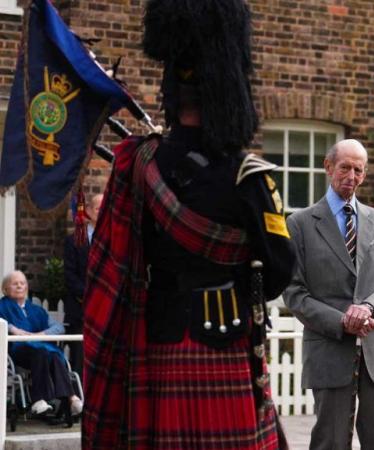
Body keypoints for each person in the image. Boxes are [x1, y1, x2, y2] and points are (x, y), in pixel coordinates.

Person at [81, 1, 295, 448]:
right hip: (225, 337)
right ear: (230, 94)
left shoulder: (139, 163)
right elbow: (278, 270)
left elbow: (117, 260)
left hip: (156, 339)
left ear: (171, 94)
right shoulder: (248, 176)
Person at [283, 139, 374, 450]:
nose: (352, 176)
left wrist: (367, 308)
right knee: (330, 442)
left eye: (359, 170)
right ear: (328, 167)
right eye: (345, 168)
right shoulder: (299, 224)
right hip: (329, 350)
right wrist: (342, 321)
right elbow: (294, 293)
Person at [0, 271, 83, 417]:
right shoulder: (2, 306)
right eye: (15, 283)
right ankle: (38, 399)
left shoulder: (36, 309)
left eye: (22, 283)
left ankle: (71, 398)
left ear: (26, 287)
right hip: (18, 349)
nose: (20, 286)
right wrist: (14, 329)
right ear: (5, 289)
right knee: (42, 353)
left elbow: (59, 327)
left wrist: (39, 335)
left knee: (55, 355)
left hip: (41, 347)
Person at [63, 192, 102, 375]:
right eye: (97, 208)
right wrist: (89, 295)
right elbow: (70, 275)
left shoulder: (114, 239)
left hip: (107, 308)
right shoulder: (74, 240)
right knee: (79, 355)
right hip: (80, 309)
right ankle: (77, 398)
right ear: (87, 211)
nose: (101, 212)